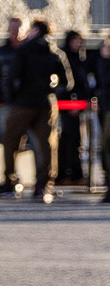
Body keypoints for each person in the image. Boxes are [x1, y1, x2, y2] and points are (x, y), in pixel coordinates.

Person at [0, 19, 71, 203]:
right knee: (47, 145)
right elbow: (67, 82)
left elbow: (12, 77)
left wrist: (11, 97)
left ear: (34, 31)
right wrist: (52, 90)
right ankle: (43, 185)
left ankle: (10, 179)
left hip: (22, 103)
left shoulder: (23, 51)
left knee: (10, 142)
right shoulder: (55, 52)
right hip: (46, 103)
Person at [60, 31, 92, 186]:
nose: (77, 44)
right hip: (67, 107)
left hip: (76, 105)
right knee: (67, 141)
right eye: (75, 41)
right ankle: (67, 173)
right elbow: (68, 85)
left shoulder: (80, 60)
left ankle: (73, 173)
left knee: (75, 140)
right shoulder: (65, 59)